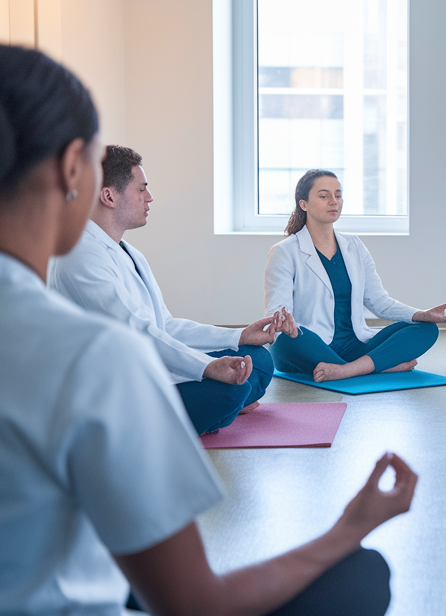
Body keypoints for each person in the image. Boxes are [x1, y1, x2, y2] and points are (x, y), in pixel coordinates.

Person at [0, 44, 418, 616]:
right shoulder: (92, 357)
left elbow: (163, 325)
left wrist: (229, 340)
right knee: (363, 578)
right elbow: (197, 615)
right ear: (72, 170)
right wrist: (348, 527)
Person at [50, 145, 293, 435]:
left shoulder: (128, 252)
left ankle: (220, 410)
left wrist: (238, 335)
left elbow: (165, 325)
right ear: (109, 196)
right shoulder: (79, 256)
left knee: (258, 358)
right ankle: (218, 409)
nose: (149, 197)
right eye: (141, 190)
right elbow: (136, 333)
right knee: (229, 390)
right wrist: (206, 367)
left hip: (148, 369)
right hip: (113, 394)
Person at [264, 169, 446, 382]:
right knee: (290, 339)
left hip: (355, 344)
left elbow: (380, 302)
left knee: (426, 330)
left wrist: (423, 314)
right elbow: (276, 311)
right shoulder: (284, 251)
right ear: (304, 204)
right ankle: (378, 366)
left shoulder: (354, 246)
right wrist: (283, 320)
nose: (333, 201)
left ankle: (347, 370)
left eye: (338, 195)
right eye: (324, 196)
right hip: (310, 346)